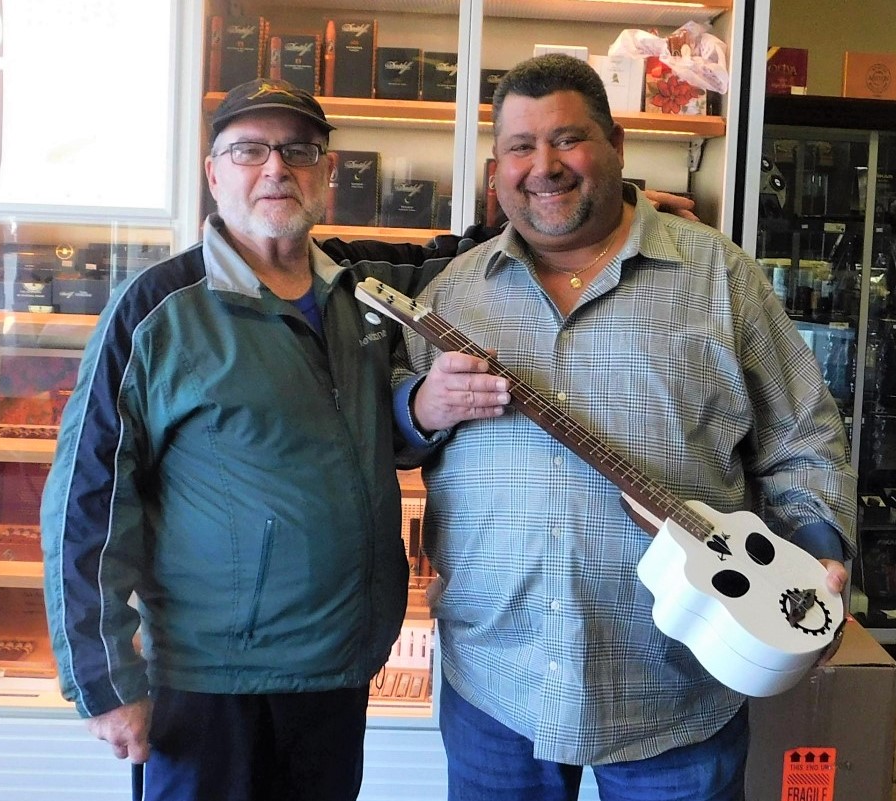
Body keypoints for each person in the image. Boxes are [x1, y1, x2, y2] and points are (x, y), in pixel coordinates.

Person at [40, 74, 708, 801]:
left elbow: (482, 251)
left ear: (327, 170)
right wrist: (104, 678)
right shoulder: (158, 309)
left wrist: (624, 206)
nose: (276, 168)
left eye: (298, 150)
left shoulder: (358, 290)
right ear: (212, 173)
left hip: (336, 671)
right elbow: (87, 498)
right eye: (249, 151)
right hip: (210, 685)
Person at [393, 54, 858, 801]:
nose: (543, 166)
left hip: (674, 683)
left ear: (615, 144)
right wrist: (416, 409)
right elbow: (396, 427)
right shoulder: (453, 293)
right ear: (496, 166)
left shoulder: (720, 278)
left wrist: (817, 549)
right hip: (497, 680)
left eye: (567, 139)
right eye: (519, 147)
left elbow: (804, 434)